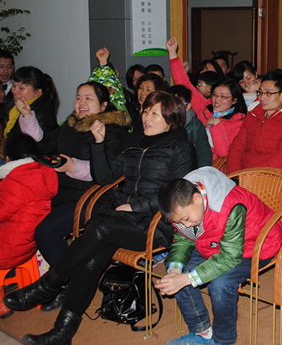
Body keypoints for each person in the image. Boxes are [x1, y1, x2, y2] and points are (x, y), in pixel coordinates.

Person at [3, 91, 197, 344]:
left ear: (171, 120)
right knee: (92, 258)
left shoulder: (180, 146)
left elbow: (179, 192)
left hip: (157, 222)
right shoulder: (135, 141)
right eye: (145, 111)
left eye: (154, 114)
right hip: (123, 218)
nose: (146, 117)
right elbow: (105, 177)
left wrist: (136, 205)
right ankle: (62, 332)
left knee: (101, 228)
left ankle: (48, 284)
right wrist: (98, 143)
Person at [19, 82, 130, 312]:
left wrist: (73, 166)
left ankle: (68, 284)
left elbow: (107, 173)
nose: (81, 103)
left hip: (91, 197)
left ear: (103, 105)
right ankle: (73, 281)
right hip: (61, 193)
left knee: (45, 231)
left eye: (88, 98)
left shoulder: (111, 130)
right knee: (27, 221)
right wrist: (28, 116)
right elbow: (42, 145)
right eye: (78, 97)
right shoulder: (70, 126)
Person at [156, 166, 282, 345]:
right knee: (179, 271)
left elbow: (229, 256)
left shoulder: (230, 205)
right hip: (216, 243)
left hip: (256, 245)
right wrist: (175, 270)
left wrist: (186, 279)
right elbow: (184, 239)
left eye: (185, 219)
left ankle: (224, 340)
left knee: (221, 284)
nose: (185, 224)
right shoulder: (183, 205)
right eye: (179, 222)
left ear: (197, 198)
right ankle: (202, 332)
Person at [0, 133, 58, 318]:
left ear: (7, 158)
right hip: (33, 242)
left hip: (11, 248)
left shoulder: (14, 181)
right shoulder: (45, 172)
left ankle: (2, 304)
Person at [168, 37, 247, 159]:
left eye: (223, 96)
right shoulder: (205, 107)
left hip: (216, 166)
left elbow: (223, 153)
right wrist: (172, 53)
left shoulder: (238, 122)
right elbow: (184, 84)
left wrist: (216, 125)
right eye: (215, 95)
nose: (217, 100)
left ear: (234, 100)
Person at [227, 70, 282, 173]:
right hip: (241, 174)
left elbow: (281, 159)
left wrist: (249, 176)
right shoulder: (253, 115)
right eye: (260, 92)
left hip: (268, 177)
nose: (262, 98)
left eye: (268, 93)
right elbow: (237, 146)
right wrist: (234, 173)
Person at [4, 67, 58, 139]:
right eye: (14, 85)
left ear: (37, 92)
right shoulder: (16, 102)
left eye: (21, 88)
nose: (14, 91)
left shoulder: (43, 113)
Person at [167, 84, 213, 168]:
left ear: (188, 106)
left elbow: (204, 153)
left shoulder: (195, 125)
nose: (173, 107)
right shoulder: (158, 122)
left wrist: (200, 172)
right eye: (169, 103)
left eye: (178, 103)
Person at [0, 49, 16, 127]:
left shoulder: (18, 91)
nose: (6, 71)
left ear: (13, 68)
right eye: (1, 67)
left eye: (9, 67)